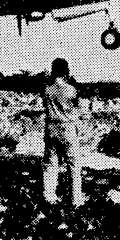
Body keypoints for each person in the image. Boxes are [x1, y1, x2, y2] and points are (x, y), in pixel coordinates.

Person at [42, 57, 85, 207]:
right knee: (73, 165)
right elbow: (77, 106)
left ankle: (49, 197)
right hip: (67, 127)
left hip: (51, 127)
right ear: (66, 71)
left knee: (50, 164)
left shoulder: (47, 90)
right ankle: (76, 200)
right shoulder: (71, 90)